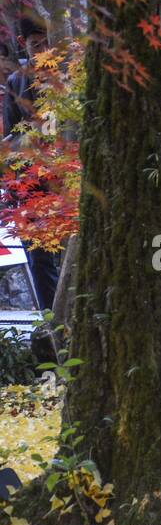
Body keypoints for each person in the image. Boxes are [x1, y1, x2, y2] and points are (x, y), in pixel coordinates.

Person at [3, 16, 61, 312]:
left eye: (45, 43)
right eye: (34, 44)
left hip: (63, 177)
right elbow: (11, 136)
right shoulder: (16, 82)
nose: (40, 50)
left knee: (61, 250)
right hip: (29, 181)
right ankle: (51, 316)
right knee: (38, 254)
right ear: (25, 45)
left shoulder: (65, 76)